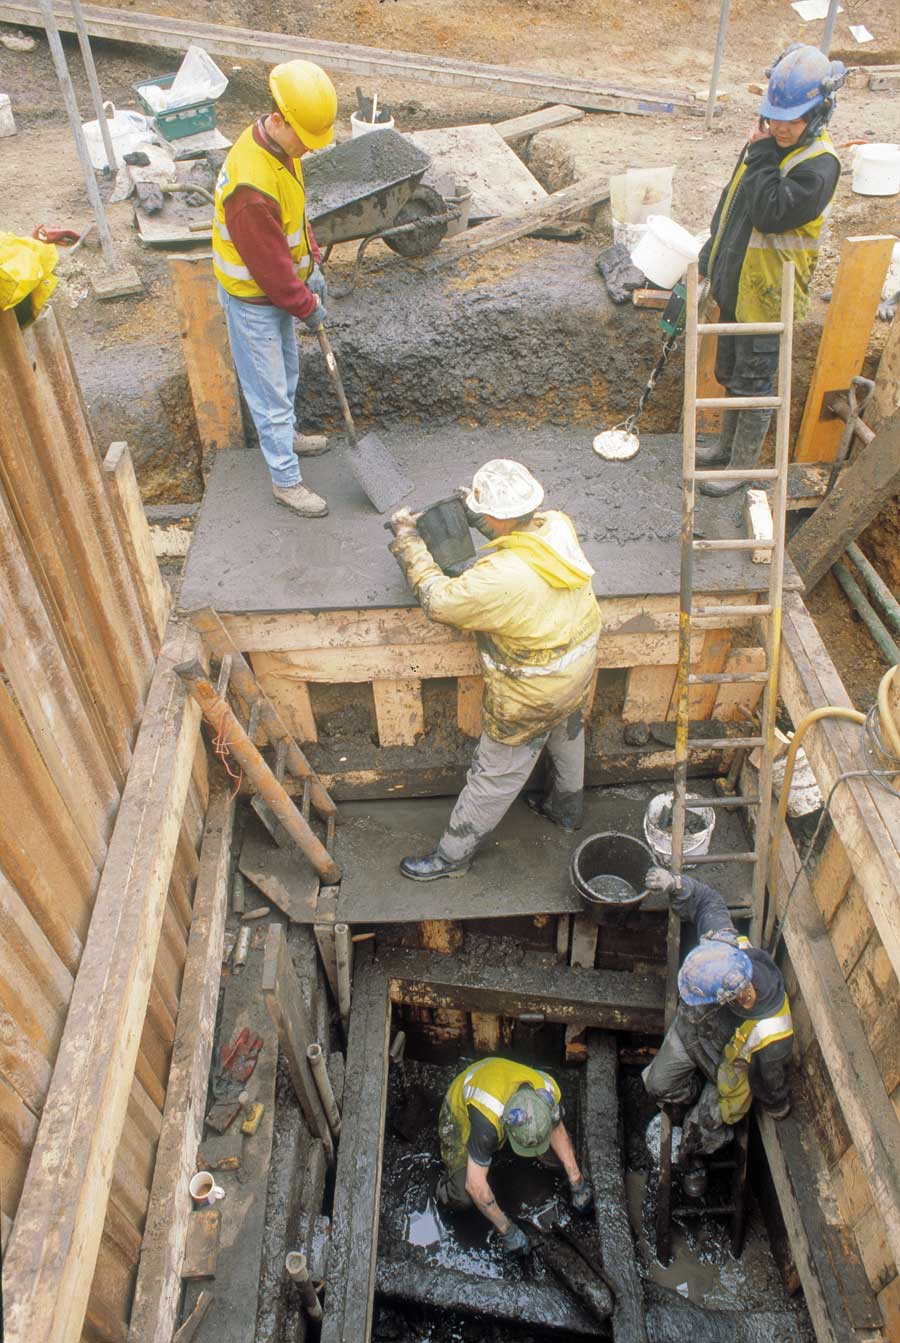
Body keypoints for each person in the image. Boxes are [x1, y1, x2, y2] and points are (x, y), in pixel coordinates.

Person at [387, 460, 601, 881]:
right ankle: (566, 812)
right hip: (577, 668)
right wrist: (474, 513)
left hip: (532, 693)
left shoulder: (498, 578)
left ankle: (451, 858)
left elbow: (439, 601)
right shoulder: (557, 525)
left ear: (493, 516)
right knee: (567, 733)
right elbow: (519, 539)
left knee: (496, 775)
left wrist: (408, 540)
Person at [697, 43, 846, 496]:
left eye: (792, 119)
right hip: (738, 284)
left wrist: (761, 154)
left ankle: (742, 466)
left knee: (755, 384)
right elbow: (735, 203)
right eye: (774, 117)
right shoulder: (765, 146)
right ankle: (725, 450)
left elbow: (769, 213)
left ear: (818, 115)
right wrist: (711, 253)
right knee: (729, 372)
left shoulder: (818, 166)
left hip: (769, 294)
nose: (781, 127)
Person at [212, 60, 337, 518]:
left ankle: (288, 437)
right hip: (253, 300)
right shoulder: (250, 187)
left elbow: (295, 218)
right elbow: (268, 268)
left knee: (286, 374)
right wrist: (307, 303)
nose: (308, 148)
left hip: (277, 291)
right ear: (279, 120)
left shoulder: (283, 151)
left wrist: (314, 262)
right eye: (304, 137)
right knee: (269, 395)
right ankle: (285, 481)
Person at [642, 866, 793, 1163]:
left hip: (726, 1073)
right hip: (692, 1033)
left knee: (699, 1132)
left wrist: (778, 1106)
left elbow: (770, 1080)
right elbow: (708, 901)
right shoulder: (723, 948)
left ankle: (699, 1143)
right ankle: (689, 1092)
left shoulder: (772, 1031)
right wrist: (676, 884)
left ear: (729, 999)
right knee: (656, 1084)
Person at [436, 1056, 593, 1254]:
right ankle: (443, 1188)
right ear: (508, 1125)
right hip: (460, 1115)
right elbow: (475, 1185)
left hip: (499, 1082)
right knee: (463, 1196)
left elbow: (557, 1128)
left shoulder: (547, 1090)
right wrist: (507, 1229)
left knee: (557, 1158)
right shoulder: (486, 1126)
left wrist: (577, 1181)